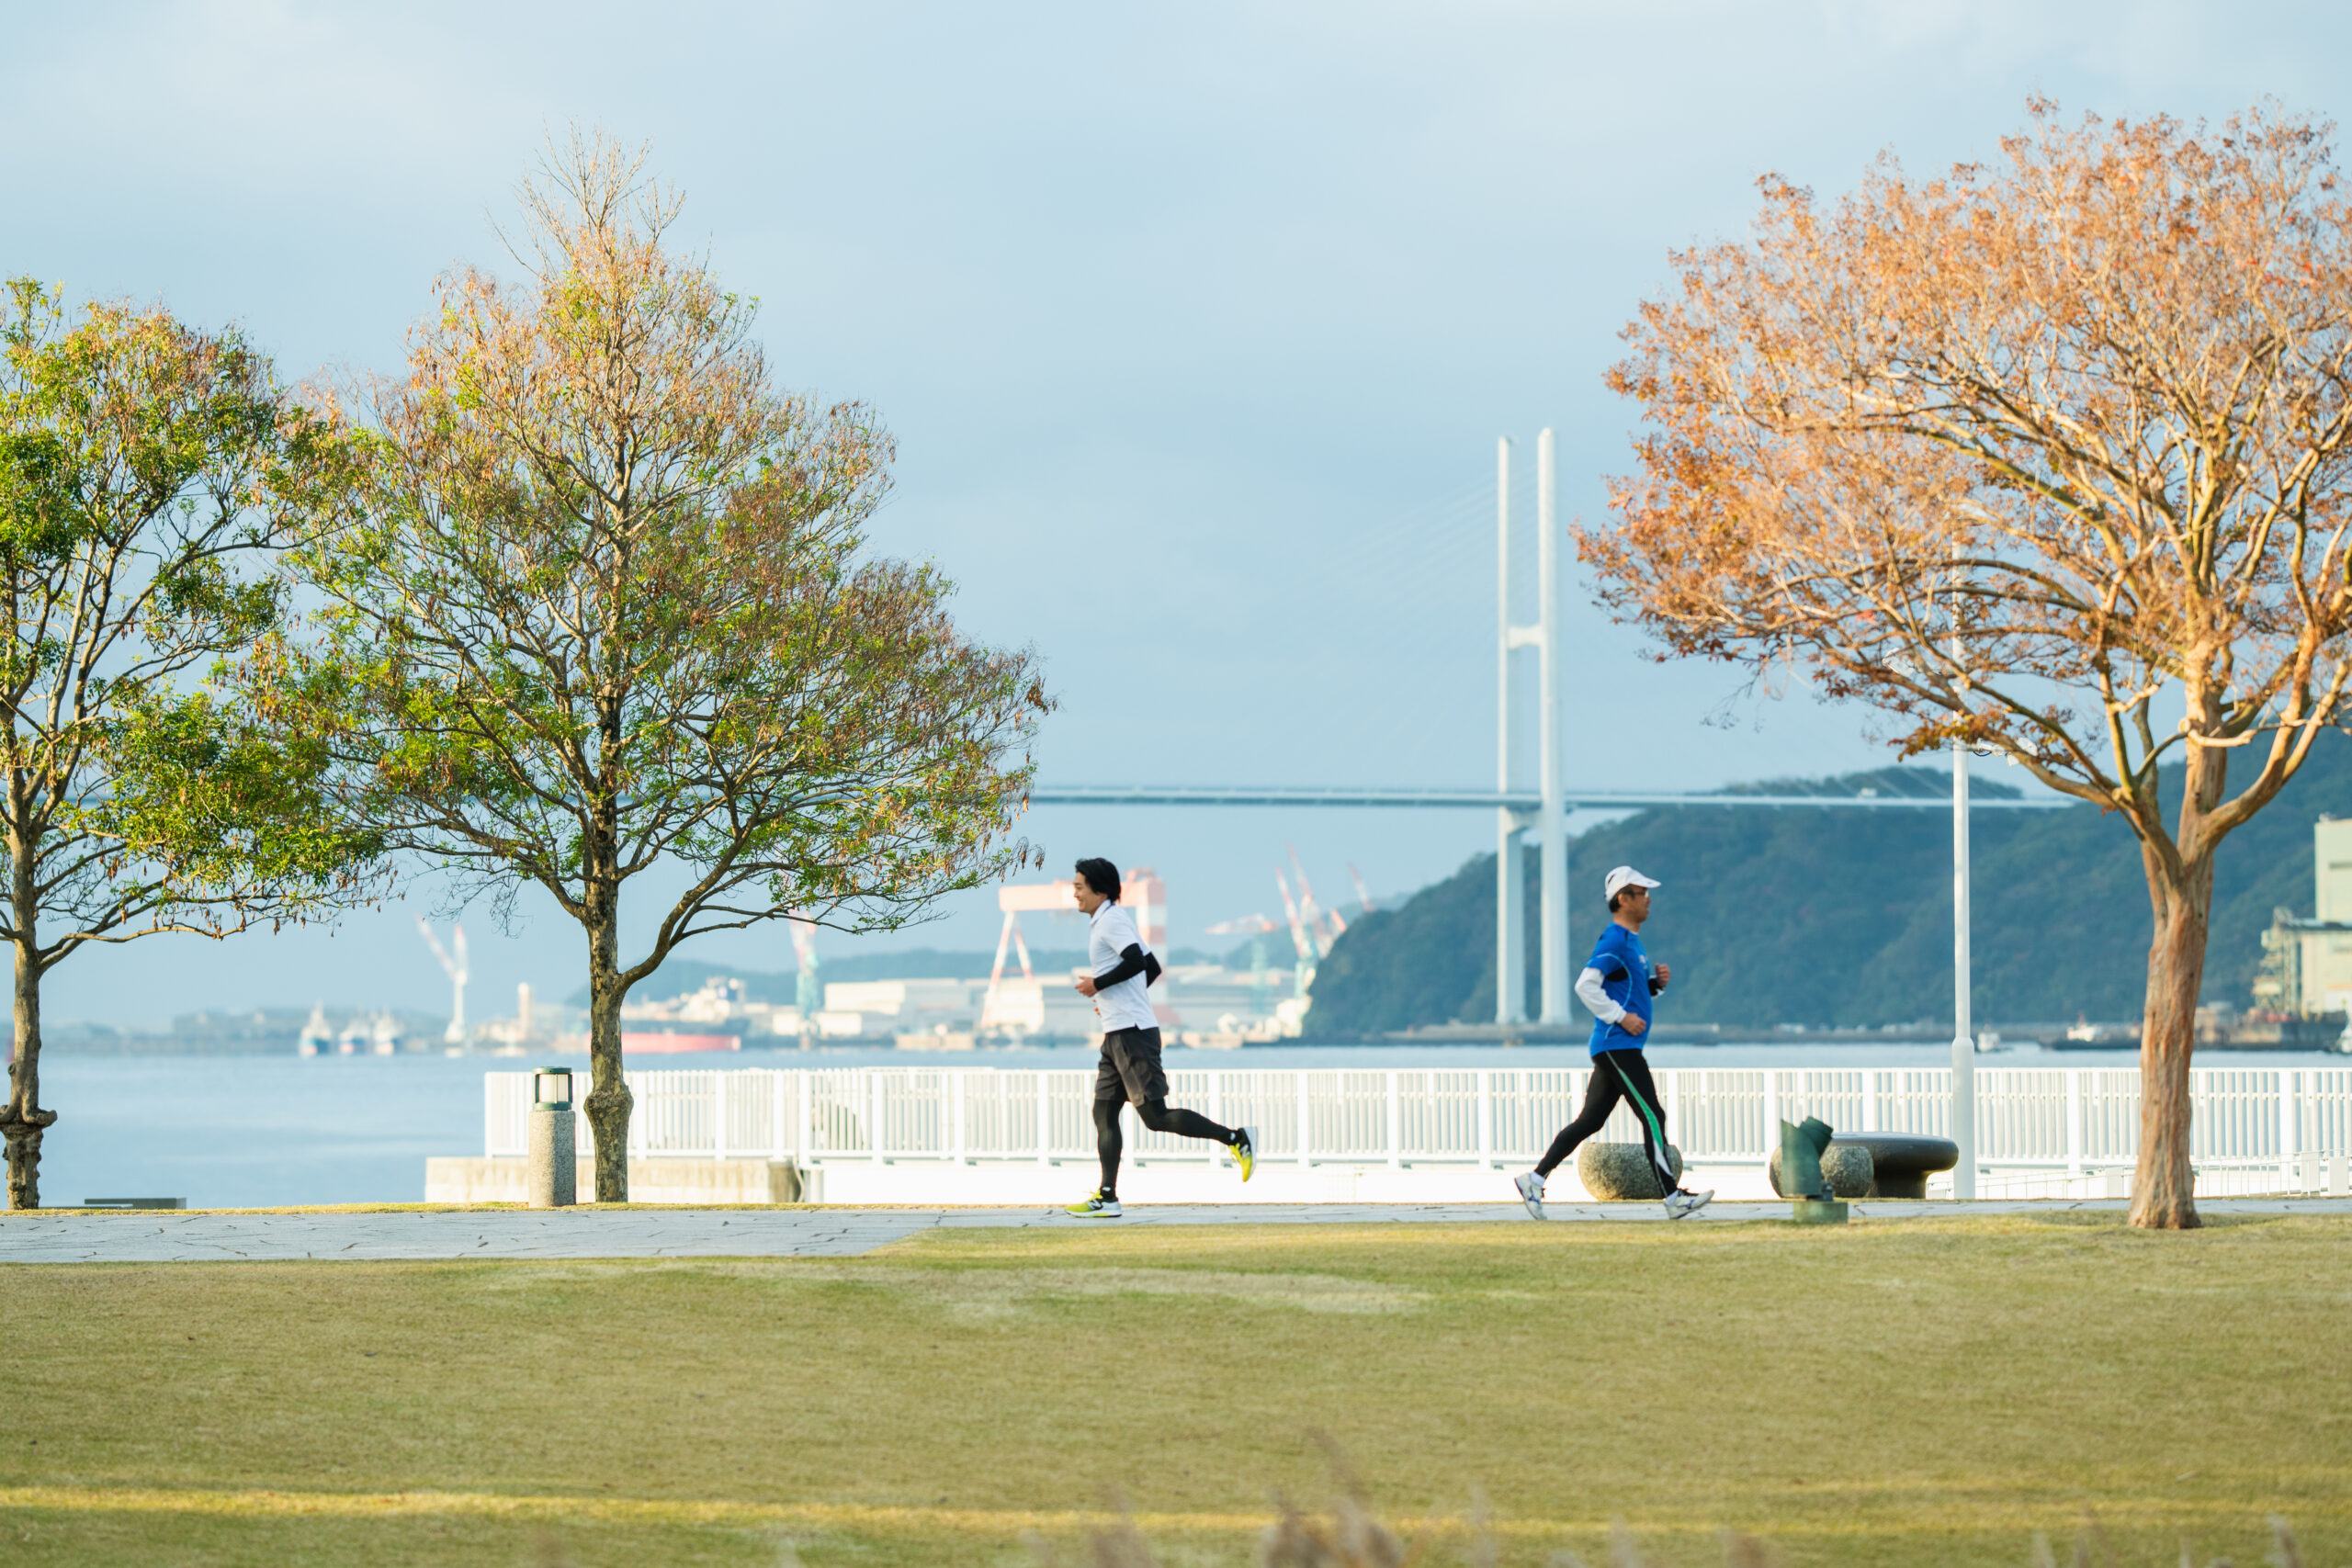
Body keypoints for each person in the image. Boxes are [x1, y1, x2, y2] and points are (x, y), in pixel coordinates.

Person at [1513, 865, 1714, 1221]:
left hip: (1618, 1045)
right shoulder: (1614, 941)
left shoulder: (1632, 942)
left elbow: (1629, 992)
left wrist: (1656, 985)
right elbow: (1585, 985)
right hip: (1615, 1044)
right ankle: (1672, 1198)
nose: (1649, 899)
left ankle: (1534, 1178)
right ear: (1624, 899)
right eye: (1642, 893)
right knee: (1653, 1115)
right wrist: (1620, 1017)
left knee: (1589, 1121)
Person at [1063, 857, 1256, 1217]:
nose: (1073, 892)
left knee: (1155, 1116)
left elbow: (1137, 962)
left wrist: (1098, 986)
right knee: (1103, 1111)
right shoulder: (1108, 921)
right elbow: (1152, 968)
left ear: (1099, 890)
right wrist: (1116, 998)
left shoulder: (1112, 920)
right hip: (1118, 1031)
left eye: (1079, 886)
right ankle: (1107, 1197)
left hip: (1132, 1035)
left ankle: (1237, 1138)